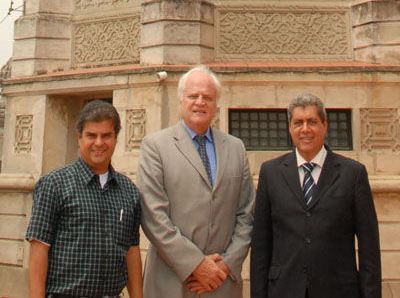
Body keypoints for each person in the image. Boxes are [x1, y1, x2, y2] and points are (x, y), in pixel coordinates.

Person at [136, 65, 255, 298]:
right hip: (171, 282)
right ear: (181, 101)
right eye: (193, 96)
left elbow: (247, 214)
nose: (200, 102)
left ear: (216, 104)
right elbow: (153, 216)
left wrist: (225, 265)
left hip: (222, 283)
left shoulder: (235, 148)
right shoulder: (155, 147)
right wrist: (196, 265)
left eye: (207, 97)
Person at [250, 93, 381, 298]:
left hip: (339, 290)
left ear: (325, 125)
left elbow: (369, 250)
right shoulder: (270, 173)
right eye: (298, 123)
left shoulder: (353, 174)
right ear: (290, 128)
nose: (305, 129)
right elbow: (260, 247)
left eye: (312, 122)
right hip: (284, 290)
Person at [26, 100, 143, 298]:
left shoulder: (129, 191)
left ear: (115, 139)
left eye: (106, 136)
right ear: (79, 137)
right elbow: (39, 250)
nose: (99, 143)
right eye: (91, 135)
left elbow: (132, 252)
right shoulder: (54, 184)